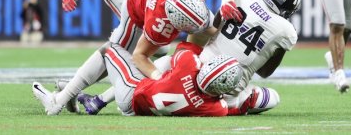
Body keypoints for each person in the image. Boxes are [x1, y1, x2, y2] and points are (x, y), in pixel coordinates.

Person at [32, 0, 243, 115]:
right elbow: (139, 56)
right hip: (135, 8)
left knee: (159, 61)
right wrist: (161, 78)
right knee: (114, 49)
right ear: (174, 25)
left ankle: (73, 93)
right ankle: (63, 99)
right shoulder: (157, 25)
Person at [35, 40, 243, 117]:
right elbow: (228, 106)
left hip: (133, 92)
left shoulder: (188, 64)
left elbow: (187, 45)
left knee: (111, 48)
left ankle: (56, 103)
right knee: (159, 65)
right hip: (141, 108)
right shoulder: (216, 108)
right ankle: (85, 98)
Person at [198, 0, 302, 114]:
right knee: (273, 97)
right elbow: (264, 72)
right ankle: (238, 105)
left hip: (200, 67)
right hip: (227, 93)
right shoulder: (286, 31)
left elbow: (215, 23)